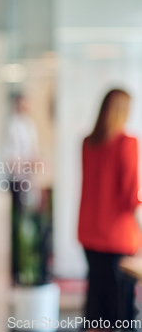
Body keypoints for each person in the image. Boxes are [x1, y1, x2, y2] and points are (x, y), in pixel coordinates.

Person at [78, 89, 141, 331]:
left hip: (90, 233)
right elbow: (131, 197)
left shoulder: (88, 144)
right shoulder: (127, 143)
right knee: (120, 310)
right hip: (118, 238)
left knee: (97, 299)